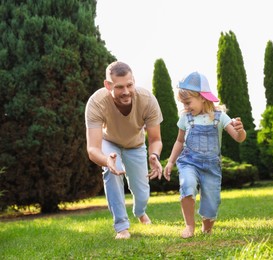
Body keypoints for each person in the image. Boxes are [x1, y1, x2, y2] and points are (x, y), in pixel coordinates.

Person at [85, 61, 163, 239]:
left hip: (136, 145)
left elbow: (156, 139)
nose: (126, 91)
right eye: (119, 87)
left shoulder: (147, 100)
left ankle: (140, 211)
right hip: (110, 143)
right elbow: (92, 148)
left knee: (142, 193)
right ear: (108, 85)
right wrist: (107, 161)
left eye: (129, 85)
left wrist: (154, 155)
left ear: (134, 80)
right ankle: (121, 227)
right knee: (111, 173)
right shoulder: (96, 103)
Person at [163, 71, 246, 238]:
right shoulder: (185, 118)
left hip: (211, 166)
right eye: (183, 103)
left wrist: (241, 130)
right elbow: (179, 141)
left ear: (202, 97)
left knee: (211, 201)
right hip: (189, 162)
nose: (185, 107)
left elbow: (238, 138)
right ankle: (189, 227)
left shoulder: (220, 116)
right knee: (187, 185)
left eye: (188, 103)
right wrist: (171, 162)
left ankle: (207, 229)